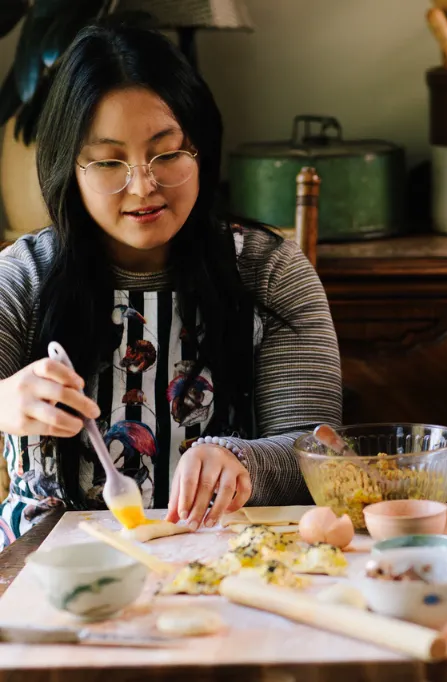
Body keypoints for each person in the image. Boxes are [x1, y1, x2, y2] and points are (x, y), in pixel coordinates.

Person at [0, 23, 342, 548]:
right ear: (71, 168)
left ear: (200, 148)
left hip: (226, 566)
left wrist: (242, 461)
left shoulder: (268, 271)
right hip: (44, 574)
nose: (142, 185)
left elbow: (319, 453)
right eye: (110, 161)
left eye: (166, 153)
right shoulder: (25, 275)